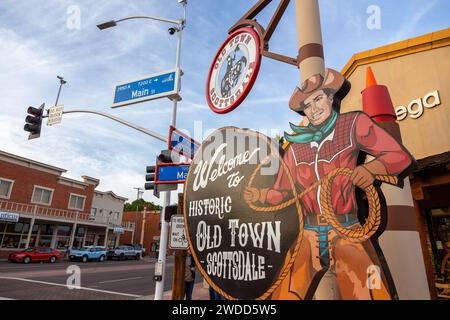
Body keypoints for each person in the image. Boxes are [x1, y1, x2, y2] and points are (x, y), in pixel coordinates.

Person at [244, 68, 413, 300]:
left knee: (367, 294)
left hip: (347, 231)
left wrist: (371, 169)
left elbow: (399, 156)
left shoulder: (353, 124)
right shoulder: (294, 149)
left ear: (331, 97)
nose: (314, 108)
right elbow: (283, 192)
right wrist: (260, 195)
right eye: (307, 104)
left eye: (318, 98)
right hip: (307, 236)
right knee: (283, 296)